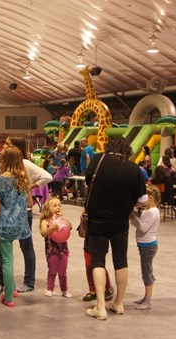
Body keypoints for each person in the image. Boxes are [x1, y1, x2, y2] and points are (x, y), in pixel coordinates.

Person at [84, 137, 147, 320]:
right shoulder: (133, 168)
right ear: (126, 149)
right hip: (120, 222)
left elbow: (88, 183)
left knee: (97, 261)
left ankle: (100, 307)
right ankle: (118, 303)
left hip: (97, 220)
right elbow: (143, 200)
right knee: (121, 261)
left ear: (108, 147)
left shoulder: (98, 160)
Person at [0, 136, 52, 294]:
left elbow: (48, 177)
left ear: (15, 149)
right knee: (3, 249)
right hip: (14, 213)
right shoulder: (7, 165)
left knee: (22, 248)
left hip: (20, 214)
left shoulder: (24, 164)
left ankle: (26, 281)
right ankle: (0, 281)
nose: (4, 146)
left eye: (7, 144)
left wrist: (29, 187)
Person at [0, 145, 33, 307]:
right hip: (20, 224)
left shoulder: (1, 180)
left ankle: (8, 296)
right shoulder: (23, 178)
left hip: (5, 225)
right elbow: (30, 203)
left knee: (7, 259)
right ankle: (12, 287)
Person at [129, 184, 161, 310]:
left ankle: (148, 301)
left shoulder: (153, 212)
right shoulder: (148, 210)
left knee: (146, 273)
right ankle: (146, 297)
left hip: (148, 247)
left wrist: (132, 218)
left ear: (151, 197)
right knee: (146, 271)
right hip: (144, 246)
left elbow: (143, 227)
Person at [39, 197, 73, 298]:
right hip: (51, 250)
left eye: (59, 205)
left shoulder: (62, 220)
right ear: (47, 209)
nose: (58, 207)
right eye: (54, 206)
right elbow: (43, 233)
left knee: (63, 271)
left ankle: (64, 290)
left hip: (63, 250)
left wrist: (63, 219)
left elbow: (70, 227)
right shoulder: (45, 221)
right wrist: (52, 227)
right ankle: (50, 289)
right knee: (52, 270)